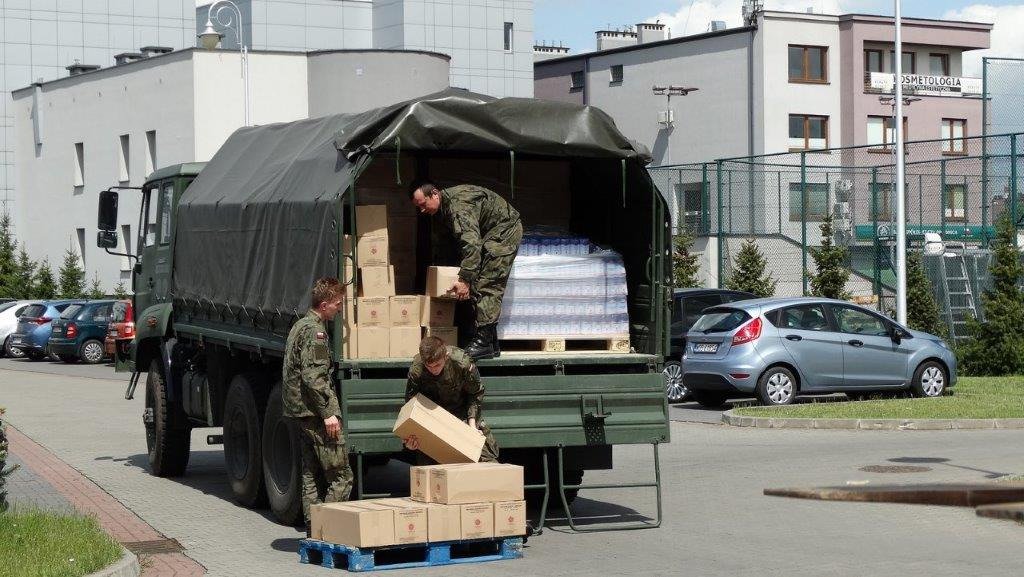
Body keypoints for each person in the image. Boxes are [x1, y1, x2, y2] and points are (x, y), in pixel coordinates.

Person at [410, 181, 523, 360]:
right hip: (489, 234)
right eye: (419, 207)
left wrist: (464, 280)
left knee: (488, 283)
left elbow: (472, 245)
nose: (422, 210)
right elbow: (446, 246)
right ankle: (491, 343)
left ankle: (484, 342)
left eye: (423, 204)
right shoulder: (441, 211)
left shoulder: (457, 207)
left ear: (434, 193)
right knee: (479, 283)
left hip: (504, 232)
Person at [282, 277, 353, 536]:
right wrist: (329, 414)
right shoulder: (316, 332)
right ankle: (329, 530)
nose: (339, 309)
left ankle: (314, 530)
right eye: (337, 304)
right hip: (316, 414)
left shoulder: (299, 326)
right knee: (341, 476)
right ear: (324, 305)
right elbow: (314, 377)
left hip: (301, 413)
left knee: (311, 473)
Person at [402, 336, 499, 463]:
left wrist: (472, 425)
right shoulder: (417, 370)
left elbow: (475, 394)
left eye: (437, 365)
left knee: (485, 458)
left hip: (461, 415)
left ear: (446, 356)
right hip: (432, 420)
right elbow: (411, 404)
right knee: (432, 468)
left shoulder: (461, 363)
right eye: (429, 366)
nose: (433, 370)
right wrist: (411, 436)